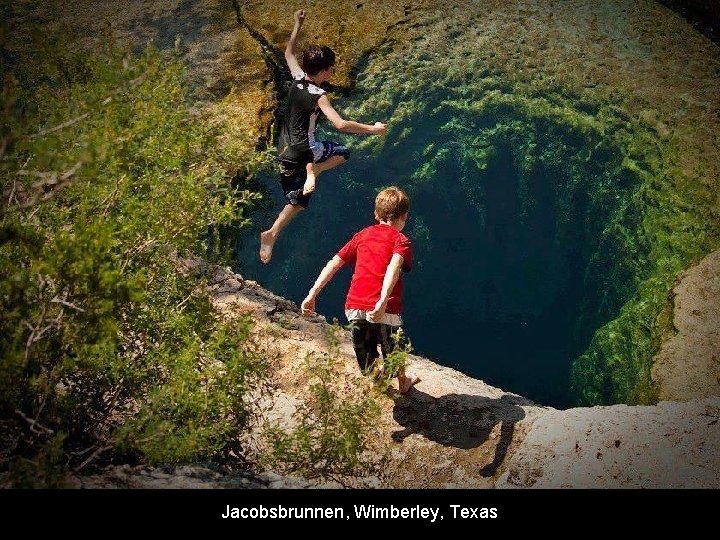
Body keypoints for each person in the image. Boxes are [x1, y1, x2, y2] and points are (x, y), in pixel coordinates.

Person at [259, 9, 387, 264]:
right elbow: (340, 124)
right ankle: (314, 171)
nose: (332, 72)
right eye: (331, 69)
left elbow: (288, 53)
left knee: (298, 198)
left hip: (283, 151)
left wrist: (297, 24)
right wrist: (373, 129)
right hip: (307, 150)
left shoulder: (297, 78)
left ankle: (272, 232)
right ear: (324, 71)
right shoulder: (319, 95)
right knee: (342, 153)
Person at [301, 187, 421, 394]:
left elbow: (334, 263)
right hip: (386, 310)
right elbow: (394, 268)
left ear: (376, 214)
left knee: (366, 357)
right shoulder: (401, 241)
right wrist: (382, 301)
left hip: (355, 306)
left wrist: (312, 294)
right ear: (405, 216)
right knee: (395, 349)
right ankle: (402, 382)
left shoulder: (362, 235)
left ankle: (378, 380)